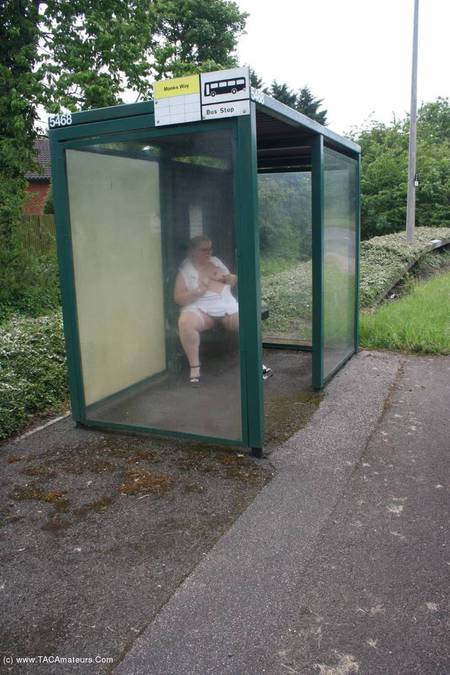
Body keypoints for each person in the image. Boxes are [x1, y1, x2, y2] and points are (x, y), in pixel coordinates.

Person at [174, 235, 239, 385]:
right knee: (185, 322)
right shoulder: (186, 269)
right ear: (192, 251)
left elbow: (233, 280)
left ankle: (256, 365)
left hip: (226, 304)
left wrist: (229, 278)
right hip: (200, 307)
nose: (208, 253)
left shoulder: (216, 261)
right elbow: (178, 298)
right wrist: (197, 291)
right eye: (204, 250)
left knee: (248, 321)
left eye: (210, 249)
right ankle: (195, 368)